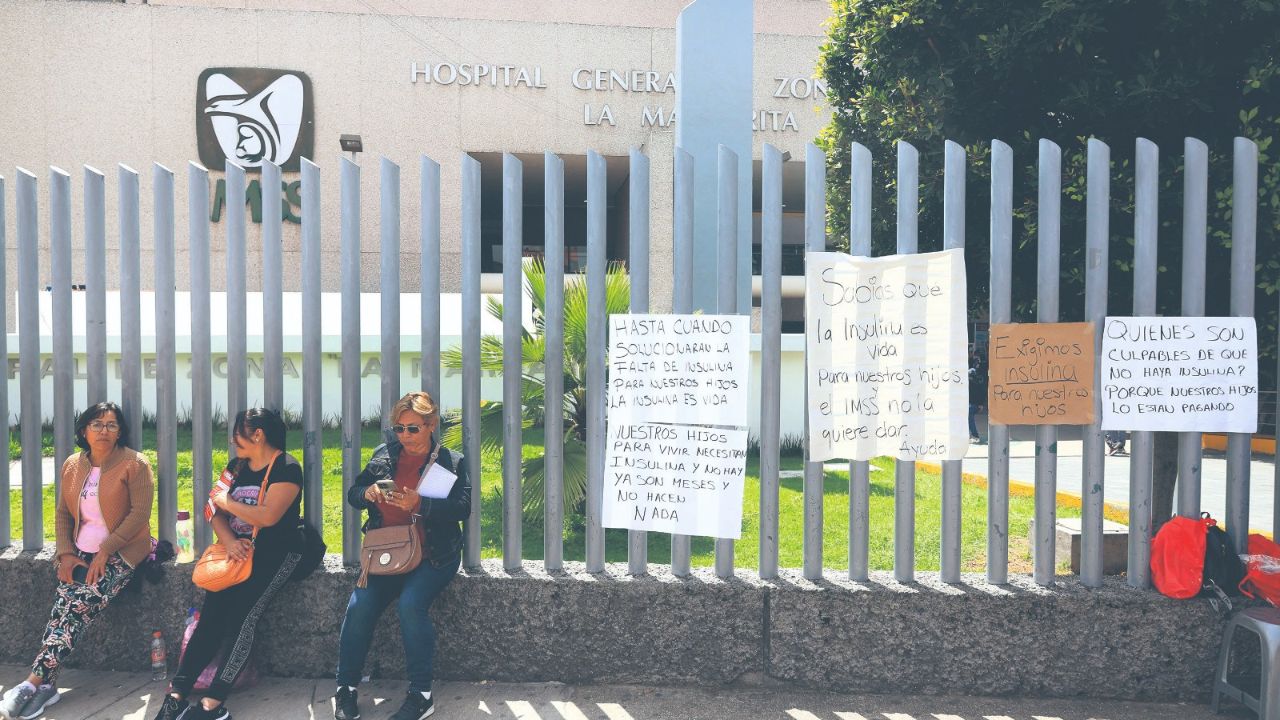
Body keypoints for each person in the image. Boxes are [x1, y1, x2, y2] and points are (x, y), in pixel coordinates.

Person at [0, 402, 154, 720]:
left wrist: (105, 551)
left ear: (120, 431)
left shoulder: (135, 464)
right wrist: (66, 554)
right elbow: (62, 514)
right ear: (84, 430)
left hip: (121, 553)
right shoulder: (73, 464)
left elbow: (140, 514)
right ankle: (45, 688)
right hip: (80, 552)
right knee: (61, 613)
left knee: (76, 613)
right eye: (97, 424)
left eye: (112, 425)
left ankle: (32, 683)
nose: (104, 431)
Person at [153, 408, 303, 720]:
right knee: (211, 619)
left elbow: (268, 516)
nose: (233, 442)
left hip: (276, 554)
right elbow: (212, 509)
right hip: (234, 554)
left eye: (237, 435)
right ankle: (177, 693)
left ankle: (213, 704)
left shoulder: (287, 468)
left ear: (257, 435)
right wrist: (231, 541)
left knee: (242, 620)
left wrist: (229, 502)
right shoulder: (236, 466)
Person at [334, 391, 470, 720]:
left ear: (431, 425)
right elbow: (354, 493)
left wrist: (420, 504)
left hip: (434, 554)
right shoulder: (385, 454)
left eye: (413, 429)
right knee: (360, 605)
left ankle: (421, 694)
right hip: (387, 551)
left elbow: (462, 508)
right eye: (399, 428)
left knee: (411, 604)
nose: (405, 436)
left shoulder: (451, 461)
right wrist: (366, 493)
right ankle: (346, 687)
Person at [968, 350, 988, 444]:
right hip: (973, 404)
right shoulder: (977, 383)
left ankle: (974, 435)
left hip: (973, 404)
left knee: (969, 416)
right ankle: (972, 435)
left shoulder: (975, 384)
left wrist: (980, 404)